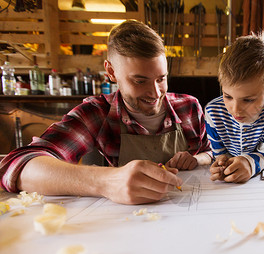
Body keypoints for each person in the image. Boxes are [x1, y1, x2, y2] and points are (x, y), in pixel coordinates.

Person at [0, 20, 212, 204]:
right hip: (128, 219)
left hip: (186, 209)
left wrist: (199, 158)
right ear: (111, 71)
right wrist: (106, 182)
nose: (156, 93)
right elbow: (18, 166)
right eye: (140, 81)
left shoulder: (189, 107)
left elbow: (211, 153)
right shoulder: (97, 114)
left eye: (161, 79)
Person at [205, 33, 264, 183]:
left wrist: (249, 164)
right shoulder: (212, 112)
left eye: (248, 100)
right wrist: (221, 164)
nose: (236, 109)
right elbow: (219, 153)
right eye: (228, 96)